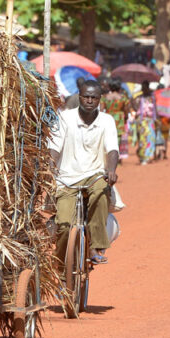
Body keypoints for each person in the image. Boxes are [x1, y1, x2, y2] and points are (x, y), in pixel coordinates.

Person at [49, 80, 118, 265]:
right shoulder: (64, 118)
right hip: (66, 178)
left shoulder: (107, 121)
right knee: (63, 225)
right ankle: (61, 262)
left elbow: (112, 150)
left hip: (95, 175)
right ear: (79, 97)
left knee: (101, 191)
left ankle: (96, 246)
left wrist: (111, 170)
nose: (89, 100)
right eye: (86, 97)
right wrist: (49, 169)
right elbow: (54, 148)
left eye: (93, 97)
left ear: (99, 100)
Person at [100, 79, 132, 161]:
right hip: (119, 119)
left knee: (108, 137)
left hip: (108, 117)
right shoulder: (123, 98)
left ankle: (109, 157)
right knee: (118, 139)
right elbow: (126, 110)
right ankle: (117, 157)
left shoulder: (105, 97)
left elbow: (101, 110)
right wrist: (125, 118)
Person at [131, 82, 160, 165]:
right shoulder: (139, 98)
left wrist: (157, 120)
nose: (145, 89)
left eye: (146, 87)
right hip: (142, 121)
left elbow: (155, 109)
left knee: (151, 139)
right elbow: (134, 107)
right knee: (142, 140)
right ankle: (143, 157)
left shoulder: (152, 98)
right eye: (143, 88)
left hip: (151, 120)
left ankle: (149, 156)